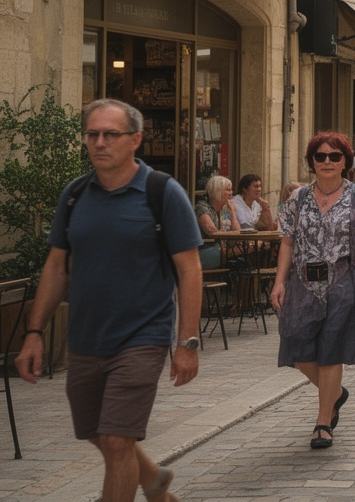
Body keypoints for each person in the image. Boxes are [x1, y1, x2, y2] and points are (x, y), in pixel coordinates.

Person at [16, 99, 203, 502]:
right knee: (96, 432)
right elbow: (56, 267)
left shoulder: (163, 193)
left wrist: (187, 342)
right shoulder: (75, 194)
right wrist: (34, 333)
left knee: (118, 440)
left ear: (135, 140)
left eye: (110, 134)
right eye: (92, 134)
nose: (99, 143)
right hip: (85, 339)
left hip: (142, 336)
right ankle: (154, 479)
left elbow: (189, 271)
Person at [272, 132, 355, 450]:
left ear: (345, 162)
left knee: (331, 349)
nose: (327, 161)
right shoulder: (297, 199)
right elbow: (286, 242)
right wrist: (278, 282)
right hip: (303, 284)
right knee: (295, 341)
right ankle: (336, 394)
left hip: (345, 281)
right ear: (312, 161)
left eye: (334, 156)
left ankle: (323, 422)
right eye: (320, 156)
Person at [194, 175, 236, 269]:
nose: (231, 193)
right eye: (228, 190)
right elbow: (212, 232)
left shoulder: (224, 209)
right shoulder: (202, 208)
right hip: (204, 251)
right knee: (248, 250)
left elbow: (237, 230)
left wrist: (233, 212)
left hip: (218, 249)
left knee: (256, 249)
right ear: (217, 191)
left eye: (231, 190)